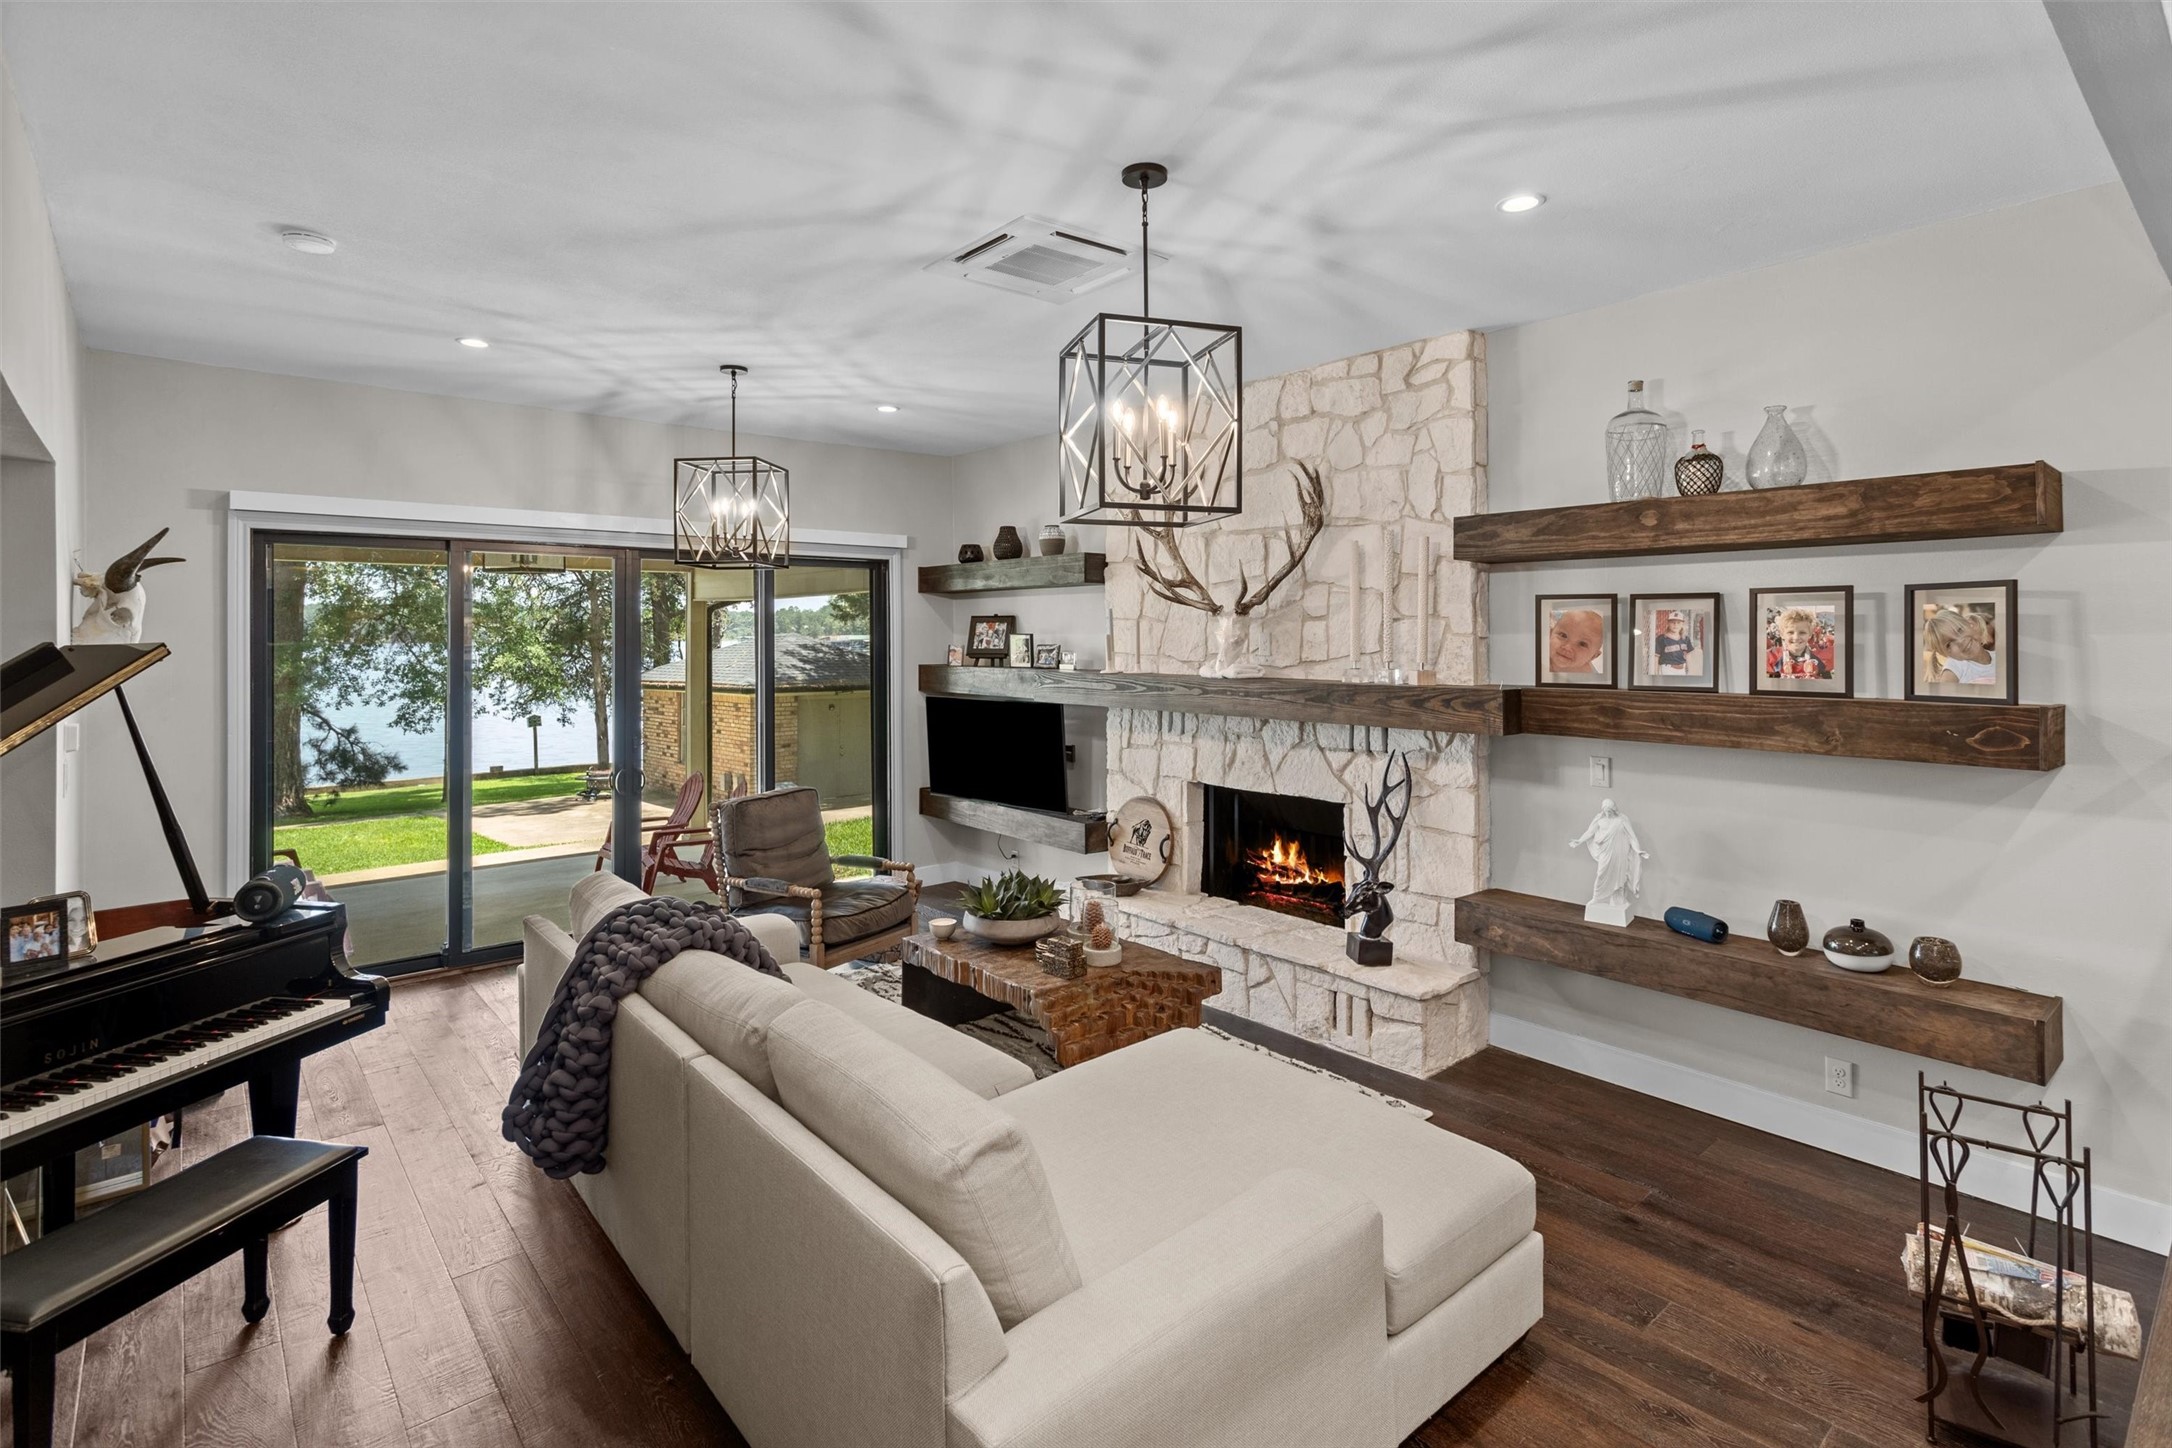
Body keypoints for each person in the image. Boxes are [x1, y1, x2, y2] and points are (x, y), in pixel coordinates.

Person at [1923, 607, 1996, 685]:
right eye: (1948, 644)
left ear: (1971, 624)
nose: (1960, 641)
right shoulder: (1954, 668)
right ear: (1943, 653)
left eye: (1960, 630)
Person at [1766, 606, 1832, 680]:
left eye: (1802, 633)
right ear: (1782, 634)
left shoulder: (1820, 658)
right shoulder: (1771, 657)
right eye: (1790, 632)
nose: (1796, 637)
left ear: (1810, 634)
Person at [1547, 607, 1607, 675]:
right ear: (1550, 633)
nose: (1567, 647)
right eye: (1563, 635)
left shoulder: (1588, 677)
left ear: (1593, 657)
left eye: (1582, 644)